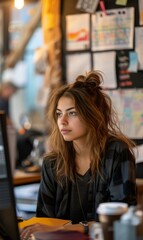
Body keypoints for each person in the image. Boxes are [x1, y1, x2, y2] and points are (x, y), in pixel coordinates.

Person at [20, 70, 137, 239]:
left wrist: (74, 228)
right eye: (59, 114)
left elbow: (120, 221)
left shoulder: (117, 153)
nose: (62, 121)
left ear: (92, 116)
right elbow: (44, 221)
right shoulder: (52, 162)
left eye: (72, 113)